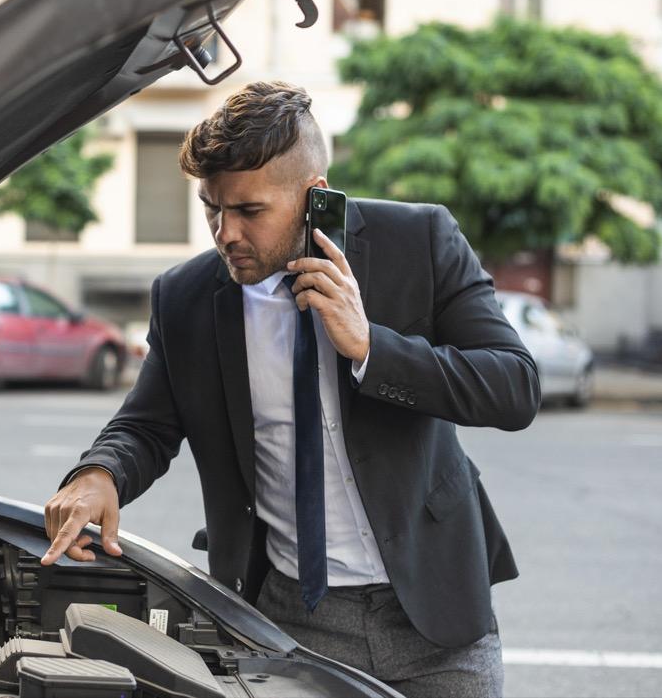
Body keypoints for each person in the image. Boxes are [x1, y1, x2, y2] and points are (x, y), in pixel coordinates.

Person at [40, 81, 540, 697]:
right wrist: (98, 475)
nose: (225, 233)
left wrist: (370, 346)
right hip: (286, 622)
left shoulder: (419, 243)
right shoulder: (187, 297)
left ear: (316, 196)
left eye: (249, 211)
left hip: (436, 615)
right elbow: (146, 424)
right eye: (212, 208)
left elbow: (514, 386)